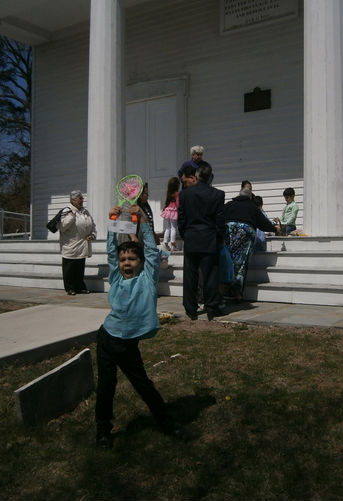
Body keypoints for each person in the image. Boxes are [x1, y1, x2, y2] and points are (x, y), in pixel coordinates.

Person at [95, 204, 178, 449]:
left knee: (142, 384)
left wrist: (142, 220)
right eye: (123, 260)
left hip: (128, 343)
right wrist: (112, 220)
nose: (126, 263)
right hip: (107, 339)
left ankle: (165, 423)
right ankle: (102, 430)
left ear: (142, 262)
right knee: (105, 386)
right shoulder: (116, 277)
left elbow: (151, 251)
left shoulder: (147, 278)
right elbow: (111, 251)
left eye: (132, 258)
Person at [177, 164, 226, 321]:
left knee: (190, 275)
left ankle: (190, 309)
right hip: (210, 238)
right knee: (210, 275)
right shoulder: (218, 194)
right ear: (210, 177)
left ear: (196, 177)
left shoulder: (185, 194)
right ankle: (211, 307)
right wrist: (219, 237)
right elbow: (220, 220)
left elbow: (181, 219)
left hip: (191, 237)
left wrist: (185, 235)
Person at [223, 187, 276, 301]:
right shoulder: (253, 207)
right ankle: (236, 293)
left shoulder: (229, 204)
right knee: (241, 263)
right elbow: (263, 223)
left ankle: (224, 290)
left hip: (228, 231)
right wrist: (274, 229)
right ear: (250, 197)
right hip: (246, 232)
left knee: (228, 261)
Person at [59, 190, 96, 295]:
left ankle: (80, 287)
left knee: (80, 267)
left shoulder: (85, 212)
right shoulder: (67, 211)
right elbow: (62, 227)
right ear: (73, 200)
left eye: (82, 198)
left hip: (83, 244)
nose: (82, 200)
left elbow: (92, 225)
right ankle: (70, 288)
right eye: (79, 198)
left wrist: (92, 235)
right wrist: (71, 216)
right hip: (71, 244)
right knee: (69, 267)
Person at [160, 177, 180, 251]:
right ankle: (173, 243)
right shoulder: (177, 194)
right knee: (173, 227)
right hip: (173, 211)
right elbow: (177, 204)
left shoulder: (169, 193)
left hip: (167, 211)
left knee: (168, 228)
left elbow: (167, 202)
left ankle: (165, 242)